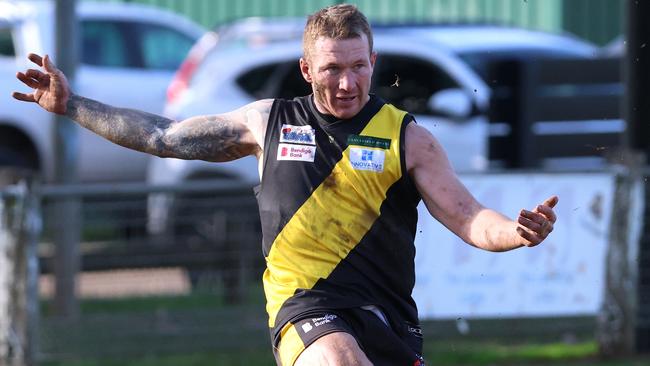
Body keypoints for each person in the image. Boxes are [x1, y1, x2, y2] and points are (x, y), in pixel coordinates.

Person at [13, 4, 558, 366]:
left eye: (358, 67)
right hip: (305, 304)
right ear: (306, 68)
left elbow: (467, 215)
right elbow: (164, 136)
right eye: (331, 69)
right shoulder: (266, 122)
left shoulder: (409, 139)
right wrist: (73, 106)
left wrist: (516, 231)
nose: (347, 83)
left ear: (373, 62)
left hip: (386, 314)